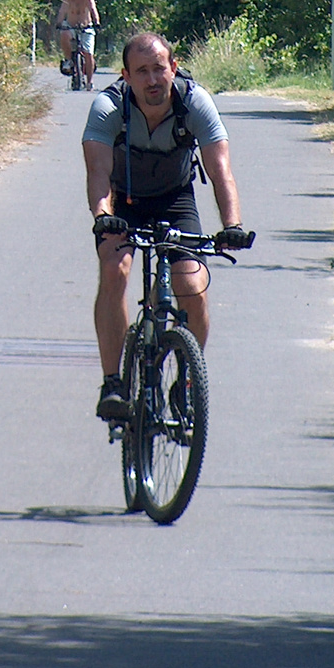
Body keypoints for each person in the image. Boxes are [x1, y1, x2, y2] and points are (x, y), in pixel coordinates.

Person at [81, 32, 249, 420]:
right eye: (142, 72)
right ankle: (114, 384)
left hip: (175, 199)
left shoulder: (194, 102)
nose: (153, 80)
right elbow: (98, 170)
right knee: (114, 268)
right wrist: (103, 215)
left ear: (173, 68)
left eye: (159, 69)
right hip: (123, 201)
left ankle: (186, 381)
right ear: (125, 76)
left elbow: (220, 169)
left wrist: (232, 224)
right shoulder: (108, 106)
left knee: (193, 286)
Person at [57, 0, 101, 90]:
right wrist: (59, 23)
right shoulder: (68, 0)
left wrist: (97, 22)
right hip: (71, 26)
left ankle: (89, 82)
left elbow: (93, 10)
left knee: (88, 53)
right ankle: (68, 60)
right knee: (64, 34)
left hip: (86, 27)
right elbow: (62, 13)